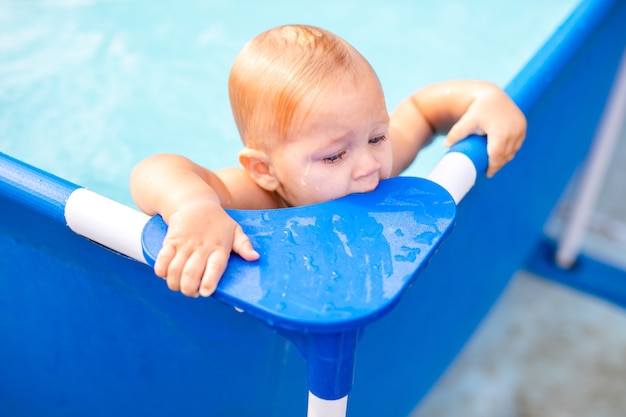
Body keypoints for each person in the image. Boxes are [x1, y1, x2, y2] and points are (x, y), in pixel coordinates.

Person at [130, 24, 526, 298]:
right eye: (334, 155)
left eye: (377, 136)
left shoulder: (371, 165)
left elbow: (422, 110)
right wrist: (195, 207)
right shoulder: (252, 196)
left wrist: (484, 97)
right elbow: (154, 170)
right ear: (266, 170)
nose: (369, 164)